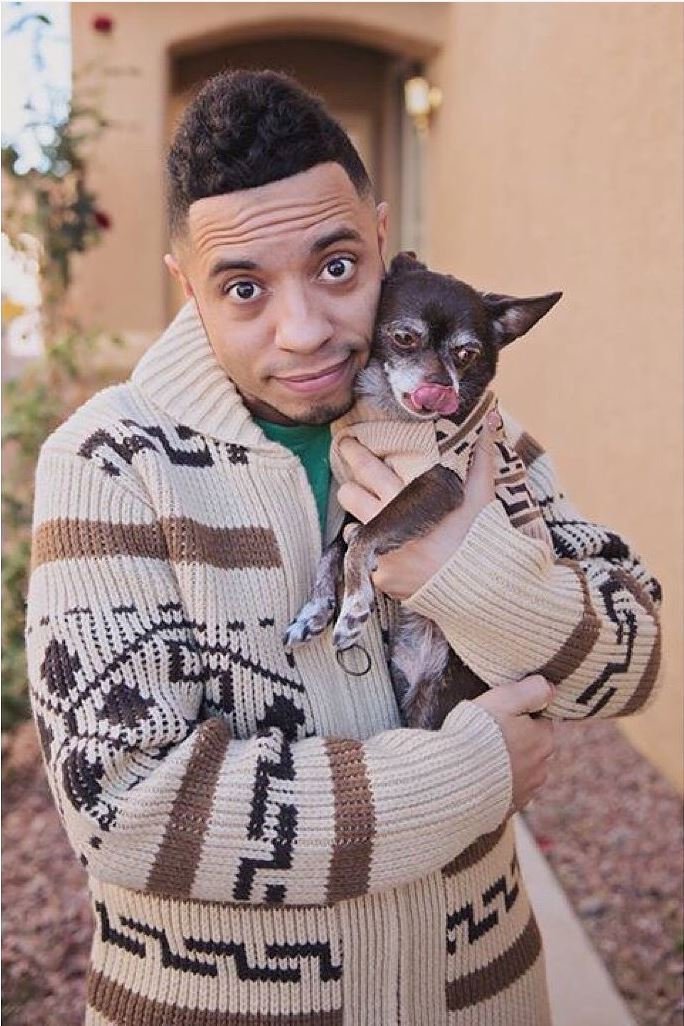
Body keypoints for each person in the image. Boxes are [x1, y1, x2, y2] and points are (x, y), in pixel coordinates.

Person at [25, 69, 662, 1026]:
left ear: (379, 235)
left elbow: (634, 661)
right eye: (243, 288)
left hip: (485, 999)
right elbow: (123, 808)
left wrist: (467, 574)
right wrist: (464, 778)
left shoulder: (480, 438)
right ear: (186, 288)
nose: (308, 330)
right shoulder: (112, 465)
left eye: (335, 267)